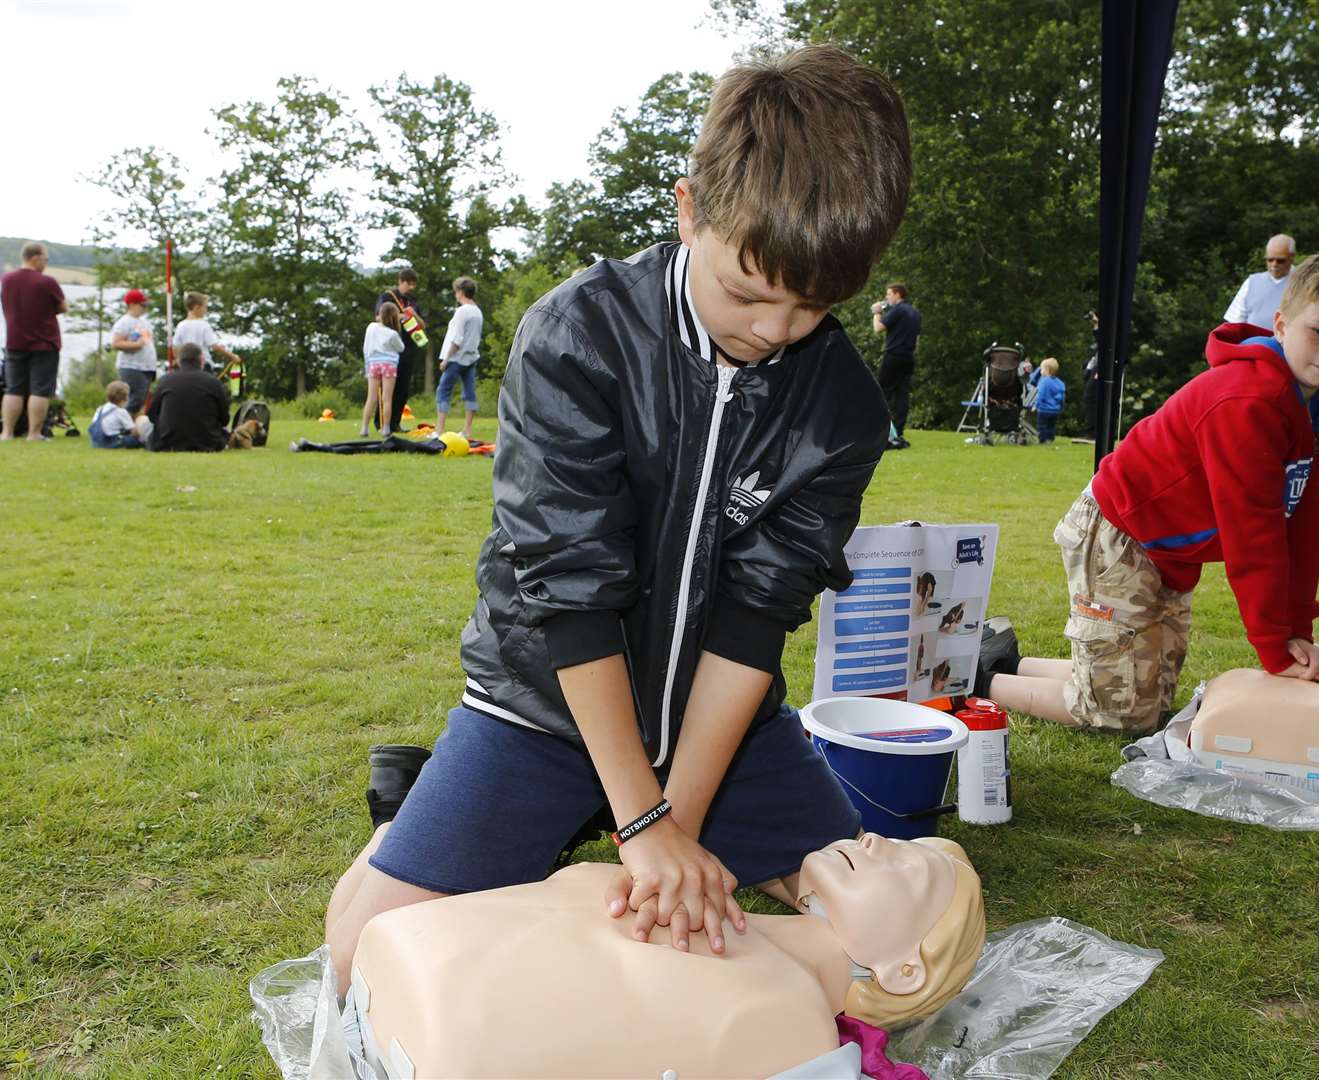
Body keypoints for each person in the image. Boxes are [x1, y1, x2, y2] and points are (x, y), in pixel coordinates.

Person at [324, 44, 910, 996]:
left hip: (723, 725)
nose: (775, 331)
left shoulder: (841, 402)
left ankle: (603, 829)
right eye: (750, 292)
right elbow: (571, 595)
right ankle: (409, 815)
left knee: (896, 953)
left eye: (812, 307)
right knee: (358, 964)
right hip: (547, 702)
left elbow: (756, 617)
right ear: (688, 209)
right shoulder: (576, 333)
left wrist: (675, 822)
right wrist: (644, 831)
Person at [987, 252, 1319, 736]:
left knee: (1149, 690)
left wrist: (1299, 630)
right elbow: (1253, 535)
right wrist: (1276, 649)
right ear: (1280, 325)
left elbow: (1301, 525)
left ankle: (1005, 659)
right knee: (1120, 712)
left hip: (1164, 544)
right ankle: (980, 680)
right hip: (1120, 531)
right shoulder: (1246, 401)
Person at [344, 834, 984, 1077]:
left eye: (905, 865)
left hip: (417, 1013)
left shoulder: (788, 1019)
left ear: (904, 971)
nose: (876, 838)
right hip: (409, 971)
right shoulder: (697, 891)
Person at [0, 241, 69, 441]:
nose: (46, 263)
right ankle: (34, 433)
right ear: (36, 258)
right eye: (45, 259)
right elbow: (63, 307)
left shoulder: (7, 279)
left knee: (14, 389)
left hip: (14, 340)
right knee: (40, 389)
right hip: (44, 342)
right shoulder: (47, 282)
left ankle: (7, 432)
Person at [143, 343, 230, 452]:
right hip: (208, 443)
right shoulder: (214, 382)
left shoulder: (165, 381)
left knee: (141, 422)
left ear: (179, 361)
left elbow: (152, 415)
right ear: (202, 360)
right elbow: (225, 419)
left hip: (167, 443)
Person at [870, 282, 920, 449]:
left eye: (889, 294)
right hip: (908, 357)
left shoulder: (897, 310)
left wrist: (877, 312)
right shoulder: (915, 312)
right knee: (902, 395)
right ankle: (898, 431)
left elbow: (878, 328)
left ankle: (879, 431)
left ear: (898, 294)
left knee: (880, 392)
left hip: (893, 356)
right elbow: (917, 340)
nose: (887, 297)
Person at [434, 276, 484, 440]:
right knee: (470, 393)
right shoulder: (477, 311)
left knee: (443, 392)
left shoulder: (462, 311)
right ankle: (467, 430)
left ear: (461, 292)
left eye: (456, 291)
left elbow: (457, 339)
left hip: (456, 358)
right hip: (471, 358)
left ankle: (440, 430)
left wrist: (446, 359)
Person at [379, 269, 428, 432]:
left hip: (409, 349)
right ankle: (381, 423)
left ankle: (396, 423)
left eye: (414, 284)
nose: (411, 287)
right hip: (390, 349)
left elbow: (423, 326)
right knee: (386, 389)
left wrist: (413, 315)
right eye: (409, 283)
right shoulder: (388, 297)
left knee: (403, 389)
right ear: (400, 281)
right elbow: (378, 318)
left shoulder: (413, 301)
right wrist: (400, 316)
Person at [1222, 233, 1296, 331]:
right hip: (1251, 344)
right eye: (1270, 260)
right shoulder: (1251, 282)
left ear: (1291, 257)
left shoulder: (1303, 282)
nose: (1274, 264)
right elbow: (1234, 322)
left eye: (1280, 260)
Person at [109, 289, 158, 418]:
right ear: (132, 304)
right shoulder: (124, 322)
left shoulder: (144, 322)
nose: (145, 308)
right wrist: (136, 345)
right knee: (134, 400)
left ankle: (134, 428)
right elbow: (116, 343)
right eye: (143, 305)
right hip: (132, 366)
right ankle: (124, 426)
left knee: (140, 400)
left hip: (146, 367)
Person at [171, 292, 242, 382]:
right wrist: (232, 356)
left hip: (186, 368)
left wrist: (179, 362)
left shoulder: (181, 325)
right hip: (203, 366)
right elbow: (214, 346)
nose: (206, 310)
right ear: (197, 307)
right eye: (205, 307)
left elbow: (175, 347)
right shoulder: (204, 325)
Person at [361, 302, 407, 438]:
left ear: (380, 314)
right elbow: (401, 348)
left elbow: (366, 348)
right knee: (387, 398)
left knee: (371, 398)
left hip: (373, 364)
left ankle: (364, 428)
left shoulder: (371, 327)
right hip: (389, 364)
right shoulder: (392, 334)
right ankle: (386, 428)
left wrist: (367, 366)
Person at [88, 381, 143, 449]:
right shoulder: (121, 412)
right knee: (136, 440)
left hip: (96, 442)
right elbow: (134, 432)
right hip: (111, 441)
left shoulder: (100, 409)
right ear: (125, 398)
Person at [1033, 356, 1067, 443]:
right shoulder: (1060, 383)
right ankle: (1050, 439)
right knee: (1051, 426)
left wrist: (1036, 405)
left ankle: (1043, 440)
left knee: (1042, 426)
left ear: (1047, 370)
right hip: (1055, 410)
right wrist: (1061, 407)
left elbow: (1040, 395)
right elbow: (1062, 397)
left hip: (1044, 410)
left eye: (1041, 369)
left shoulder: (1044, 381)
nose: (1040, 371)